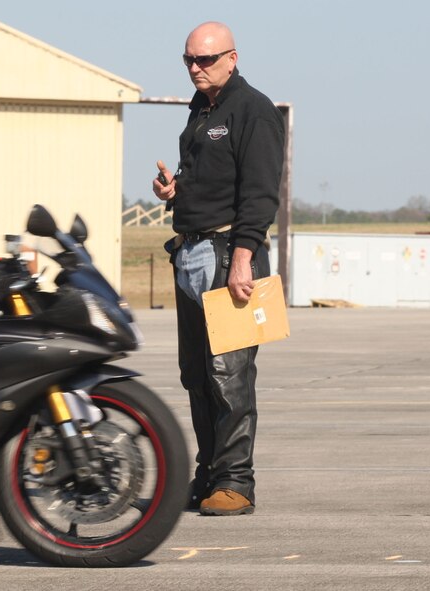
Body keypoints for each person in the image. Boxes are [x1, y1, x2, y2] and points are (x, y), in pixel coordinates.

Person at [152, 22, 285, 516]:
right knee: (196, 374)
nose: (195, 68)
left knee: (229, 374)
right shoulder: (200, 110)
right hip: (189, 252)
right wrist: (175, 190)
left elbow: (259, 192)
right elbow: (209, 181)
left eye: (205, 60)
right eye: (189, 59)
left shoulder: (254, 110)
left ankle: (235, 483)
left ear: (232, 57)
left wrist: (244, 258)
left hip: (230, 254)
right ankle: (208, 474)